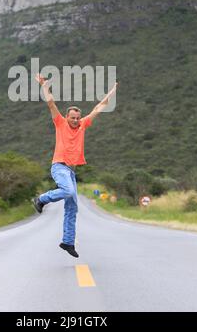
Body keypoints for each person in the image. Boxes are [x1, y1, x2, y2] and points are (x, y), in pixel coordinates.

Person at [33, 73, 118, 258]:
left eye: (77, 117)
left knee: (72, 208)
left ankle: (68, 242)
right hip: (59, 166)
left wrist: (111, 93)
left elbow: (98, 108)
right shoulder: (60, 123)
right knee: (69, 191)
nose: (75, 120)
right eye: (72, 117)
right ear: (66, 116)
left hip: (71, 171)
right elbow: (51, 103)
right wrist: (44, 86)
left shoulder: (82, 125)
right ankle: (41, 199)